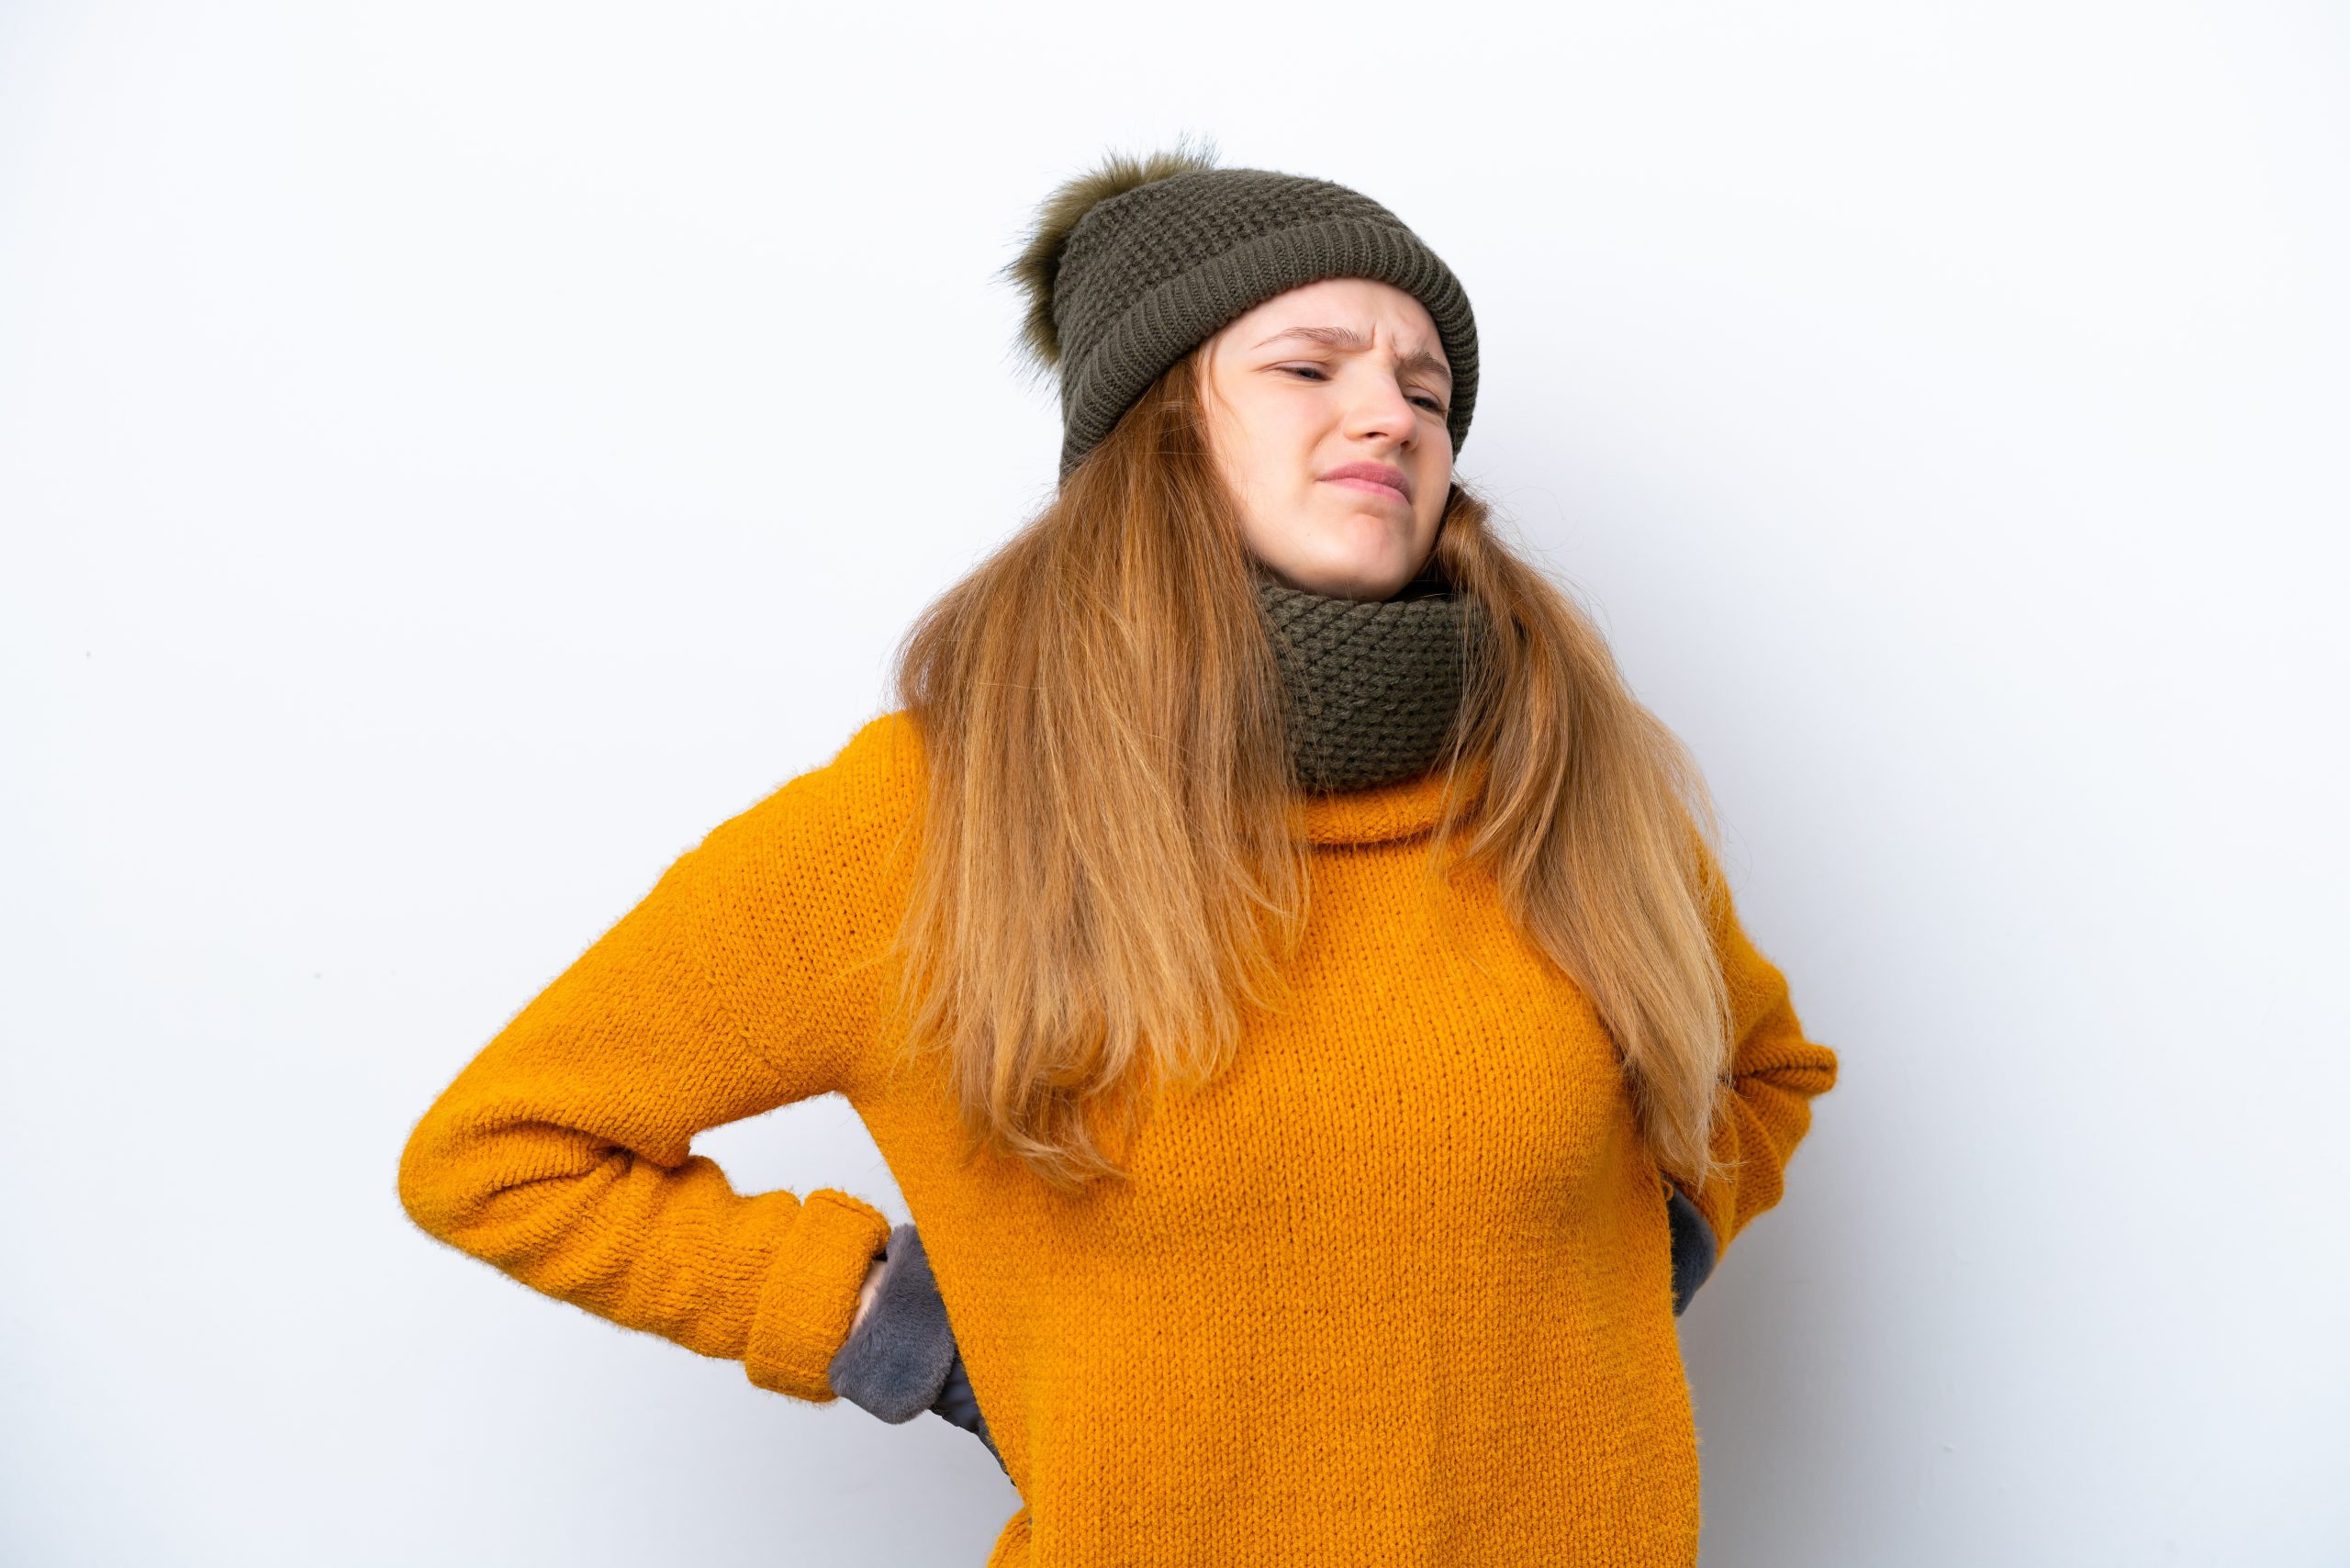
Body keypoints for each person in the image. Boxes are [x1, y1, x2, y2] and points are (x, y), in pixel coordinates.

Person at [397, 140, 1841, 1567]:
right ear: (1157, 425)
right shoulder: (935, 821)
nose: (1392, 416)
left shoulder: (1564, 789)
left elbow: (1763, 1072)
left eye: (1426, 387)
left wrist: (1624, 1268)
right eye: (1309, 367)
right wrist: (898, 1332)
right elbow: (503, 1151)